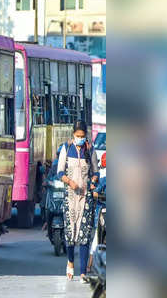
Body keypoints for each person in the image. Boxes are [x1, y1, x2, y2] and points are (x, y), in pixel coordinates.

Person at [57, 119, 99, 283]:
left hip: (85, 197)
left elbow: (96, 172)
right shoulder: (66, 149)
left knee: (84, 234)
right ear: (73, 135)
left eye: (82, 136)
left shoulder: (91, 150)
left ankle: (82, 272)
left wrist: (94, 180)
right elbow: (59, 172)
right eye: (77, 136)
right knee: (70, 234)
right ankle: (70, 261)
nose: (80, 139)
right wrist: (70, 182)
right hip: (70, 196)